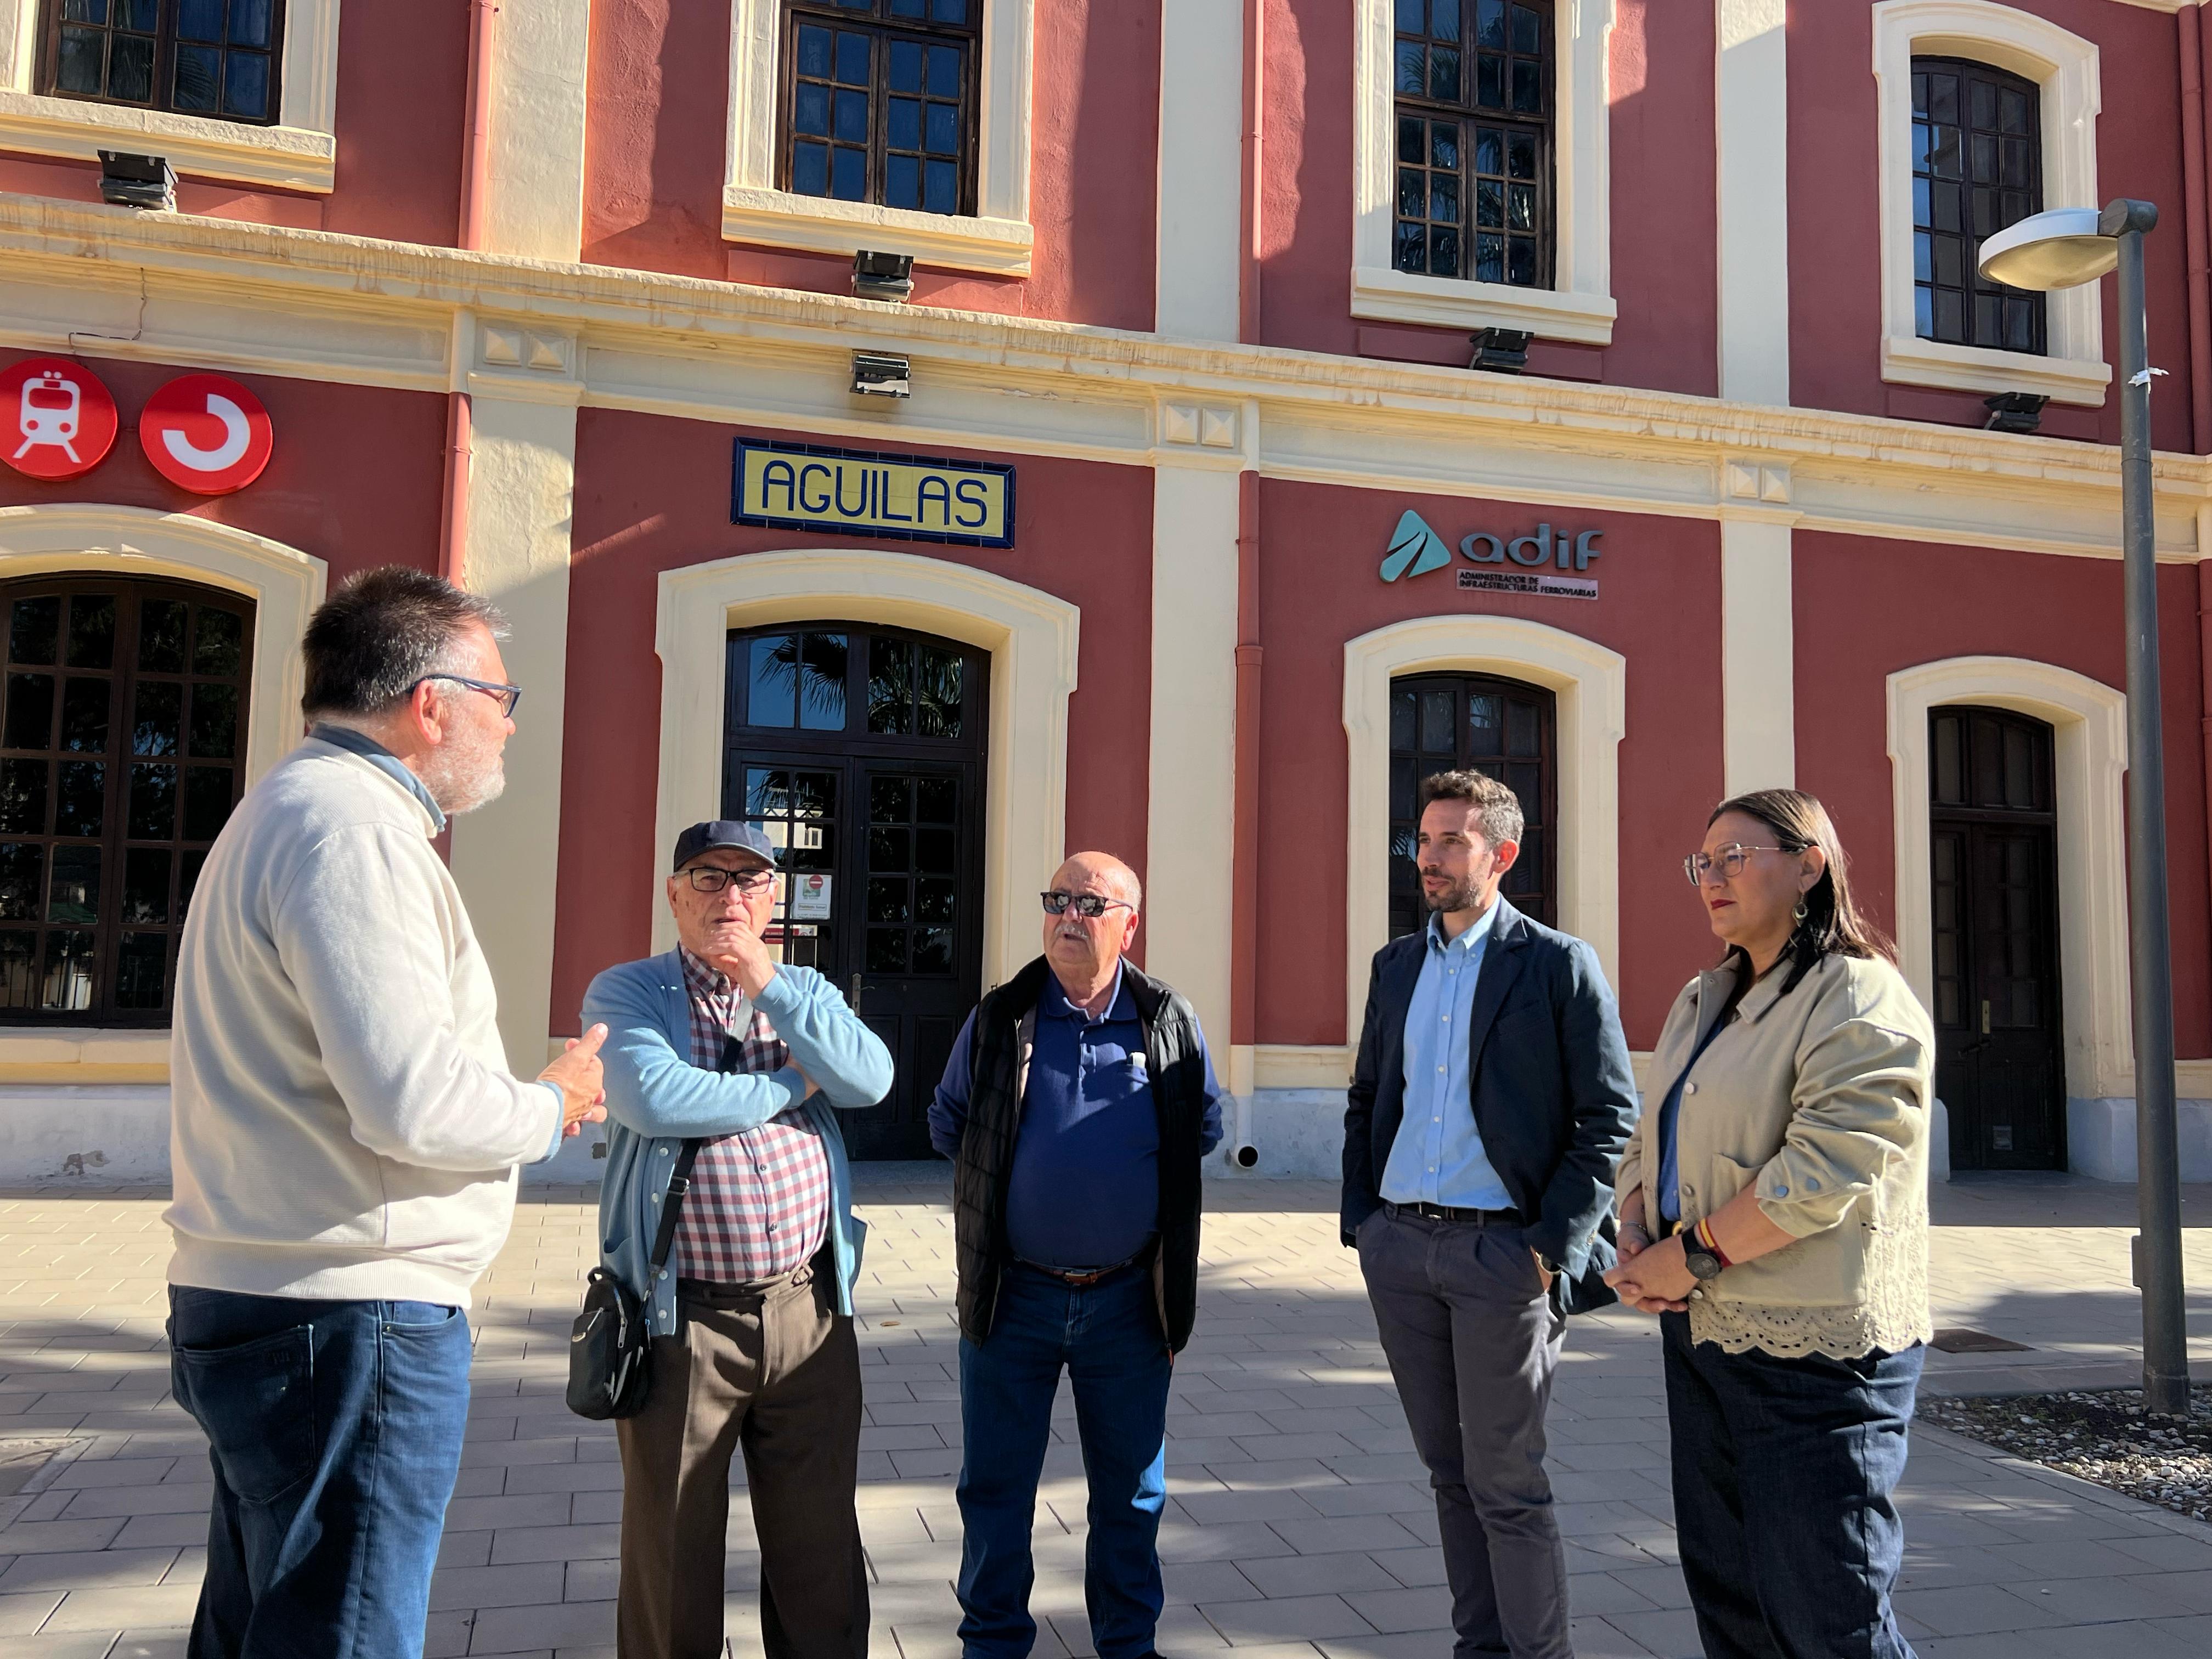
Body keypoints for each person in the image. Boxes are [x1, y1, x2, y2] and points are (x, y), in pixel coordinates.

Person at [164, 566, 608, 1659]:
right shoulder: (351, 827)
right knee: (344, 1634)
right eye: (502, 700)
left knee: (273, 1622)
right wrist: (553, 1102)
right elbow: (411, 1101)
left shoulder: (296, 809)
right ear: (432, 702)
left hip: (286, 1298)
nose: (507, 730)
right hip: (347, 1316)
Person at [1606, 789, 1934, 1659]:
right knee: (1733, 1600)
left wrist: (1696, 1254)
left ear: (1808, 866)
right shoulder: (1702, 996)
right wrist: (1636, 1222)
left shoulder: (1858, 995)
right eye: (1701, 863)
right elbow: (1654, 1132)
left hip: (1818, 1361)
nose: (1710, 877)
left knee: (1832, 1615)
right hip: (1707, 1339)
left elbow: (1830, 1167)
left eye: (1734, 858)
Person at [1341, 769, 1637, 1659]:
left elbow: (1609, 1114)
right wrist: (1365, 1222)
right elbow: (1368, 1097)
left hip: (1502, 1259)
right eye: (1423, 840)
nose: (1427, 858)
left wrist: (1550, 1249)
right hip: (1402, 1254)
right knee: (1448, 1474)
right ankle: (1482, 1648)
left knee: (1507, 1484)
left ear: (1502, 856)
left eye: (1450, 842)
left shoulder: (1554, 964)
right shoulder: (1395, 965)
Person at [584, 820, 894, 1659]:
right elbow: (656, 1100)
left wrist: (767, 982)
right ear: (675, 895)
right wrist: (791, 1081)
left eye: (750, 882)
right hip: (680, 1321)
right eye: (710, 879)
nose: (730, 896)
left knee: (820, 1544)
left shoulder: (803, 989)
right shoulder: (629, 993)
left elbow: (870, 1078)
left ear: (774, 901)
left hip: (809, 1312)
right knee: (673, 1552)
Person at [929, 852, 1224, 1659]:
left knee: (1131, 1494)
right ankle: (991, 1643)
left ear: (1130, 922)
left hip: (1129, 1304)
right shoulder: (1000, 1017)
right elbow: (949, 1121)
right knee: (994, 1490)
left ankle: (1127, 1645)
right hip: (1011, 1298)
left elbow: (1203, 1127)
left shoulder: (1169, 1021)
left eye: (1090, 903)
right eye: (1057, 898)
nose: (1068, 915)